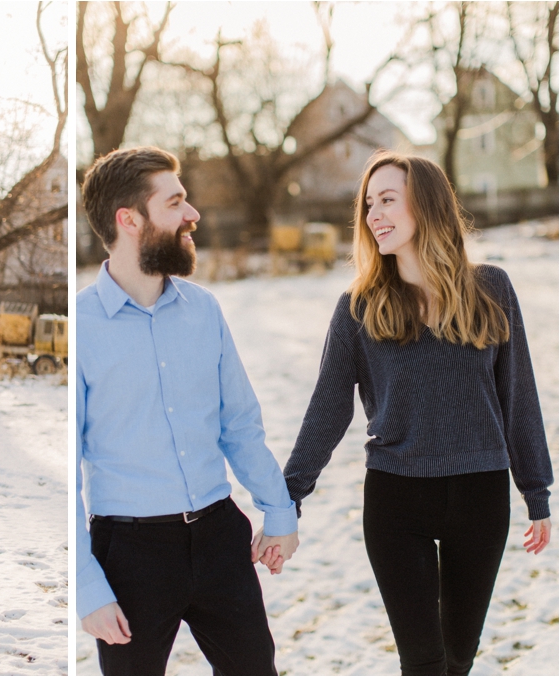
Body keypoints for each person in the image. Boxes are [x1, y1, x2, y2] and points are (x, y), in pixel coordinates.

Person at [283, 151, 553, 676]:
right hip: (395, 499)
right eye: (368, 204)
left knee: (457, 660)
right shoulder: (359, 308)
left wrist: (535, 490)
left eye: (387, 200)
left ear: (426, 206)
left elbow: (518, 393)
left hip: (480, 494)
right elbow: (328, 407)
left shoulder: (490, 289)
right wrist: (289, 492)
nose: (373, 215)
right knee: (423, 663)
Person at [77, 146, 299, 676]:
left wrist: (279, 510)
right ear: (129, 220)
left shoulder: (203, 310)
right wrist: (88, 587)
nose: (193, 213)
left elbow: (239, 425)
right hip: (130, 555)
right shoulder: (82, 327)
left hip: (221, 537)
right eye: (176, 201)